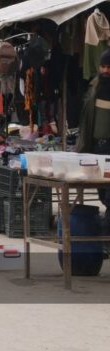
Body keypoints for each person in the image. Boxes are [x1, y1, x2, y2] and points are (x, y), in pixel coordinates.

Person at [76, 47, 110, 237]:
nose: (106, 71)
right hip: (97, 149)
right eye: (103, 66)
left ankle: (105, 238)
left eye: (109, 67)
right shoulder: (94, 88)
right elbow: (86, 119)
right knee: (103, 194)